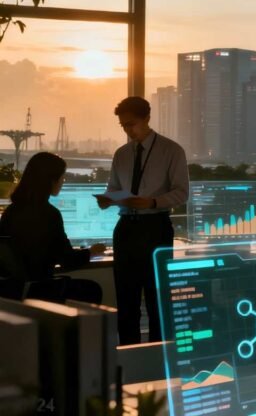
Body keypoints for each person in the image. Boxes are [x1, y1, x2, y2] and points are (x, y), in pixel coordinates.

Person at [97, 96, 188, 344]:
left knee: (157, 299)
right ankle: (129, 358)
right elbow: (114, 188)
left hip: (155, 228)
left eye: (132, 124)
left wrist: (152, 202)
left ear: (147, 118)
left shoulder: (171, 151)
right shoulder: (122, 154)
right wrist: (107, 199)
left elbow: (182, 192)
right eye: (123, 126)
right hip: (125, 228)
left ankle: (158, 359)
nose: (128, 130)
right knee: (126, 301)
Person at [0, 152, 104, 303]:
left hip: (13, 291)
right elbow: (67, 260)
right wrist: (92, 252)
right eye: (62, 176)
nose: (63, 181)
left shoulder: (11, 211)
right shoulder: (49, 214)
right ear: (51, 180)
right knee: (92, 289)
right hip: (40, 289)